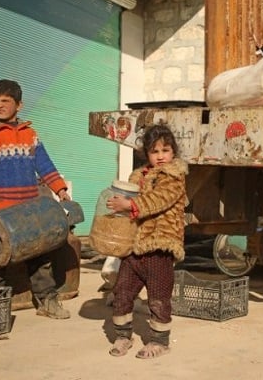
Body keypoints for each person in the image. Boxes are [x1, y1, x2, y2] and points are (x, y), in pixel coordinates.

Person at [0, 79, 72, 319]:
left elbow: (45, 165)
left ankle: (47, 303)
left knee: (40, 257)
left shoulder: (30, 135)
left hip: (30, 212)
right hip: (0, 214)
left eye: (5, 101)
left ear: (19, 104)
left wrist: (60, 189)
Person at [106, 123, 188, 359]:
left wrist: (130, 205)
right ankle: (123, 336)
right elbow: (127, 201)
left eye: (165, 150)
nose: (161, 156)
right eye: (155, 151)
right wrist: (118, 205)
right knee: (122, 292)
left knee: (158, 297)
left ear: (173, 152)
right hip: (134, 246)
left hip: (159, 245)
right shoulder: (137, 175)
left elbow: (157, 200)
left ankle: (159, 341)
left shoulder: (175, 176)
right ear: (146, 154)